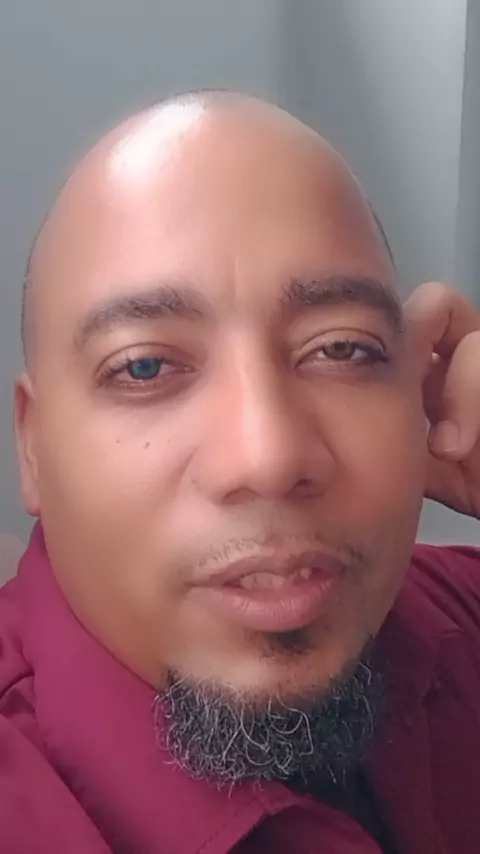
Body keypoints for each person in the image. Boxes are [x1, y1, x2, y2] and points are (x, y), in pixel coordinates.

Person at [1, 91, 479, 853]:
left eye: (341, 348)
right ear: (33, 447)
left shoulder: (453, 618)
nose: (269, 456)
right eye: (145, 366)